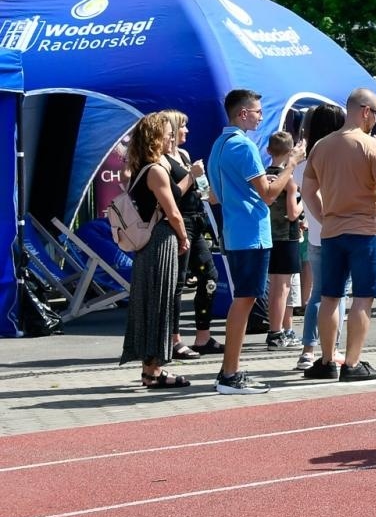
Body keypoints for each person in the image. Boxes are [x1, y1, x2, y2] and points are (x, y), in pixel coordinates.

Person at [301, 88, 376, 383]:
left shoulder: (321, 146)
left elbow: (307, 191)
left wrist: (324, 217)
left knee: (329, 296)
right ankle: (351, 364)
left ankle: (327, 360)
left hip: (332, 232)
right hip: (365, 230)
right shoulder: (370, 145)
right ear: (365, 111)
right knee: (363, 297)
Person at [207, 89, 303, 394]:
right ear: (242, 113)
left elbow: (220, 192)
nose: (261, 116)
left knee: (246, 299)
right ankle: (229, 374)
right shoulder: (243, 147)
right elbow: (269, 194)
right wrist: (292, 162)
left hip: (238, 230)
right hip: (250, 233)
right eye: (257, 111)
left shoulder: (220, 144)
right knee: (245, 300)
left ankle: (230, 371)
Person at [121, 113, 192, 390]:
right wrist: (184, 237)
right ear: (154, 138)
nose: (171, 137)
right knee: (159, 304)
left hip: (148, 244)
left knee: (151, 303)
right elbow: (172, 210)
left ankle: (150, 370)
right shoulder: (155, 170)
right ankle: (155, 371)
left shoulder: (141, 168)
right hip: (161, 240)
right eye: (166, 134)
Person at [293, 104, 349, 371]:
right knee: (335, 294)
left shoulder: (304, 161)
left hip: (316, 233)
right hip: (336, 230)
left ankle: (310, 348)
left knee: (321, 293)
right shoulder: (335, 158)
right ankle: (326, 348)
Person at [157, 110, 210, 360]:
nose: (186, 131)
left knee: (210, 275)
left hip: (196, 219)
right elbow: (173, 196)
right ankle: (173, 339)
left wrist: (204, 188)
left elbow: (194, 190)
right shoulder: (162, 160)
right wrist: (192, 175)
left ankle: (203, 336)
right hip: (179, 222)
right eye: (182, 127)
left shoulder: (184, 154)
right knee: (177, 283)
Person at [264, 131, 305, 349]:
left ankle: (284, 330)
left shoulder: (265, 174)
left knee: (278, 287)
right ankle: (276, 333)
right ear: (291, 152)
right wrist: (304, 201)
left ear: (269, 151)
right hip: (286, 236)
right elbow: (292, 213)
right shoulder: (288, 179)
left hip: (269, 234)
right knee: (282, 288)